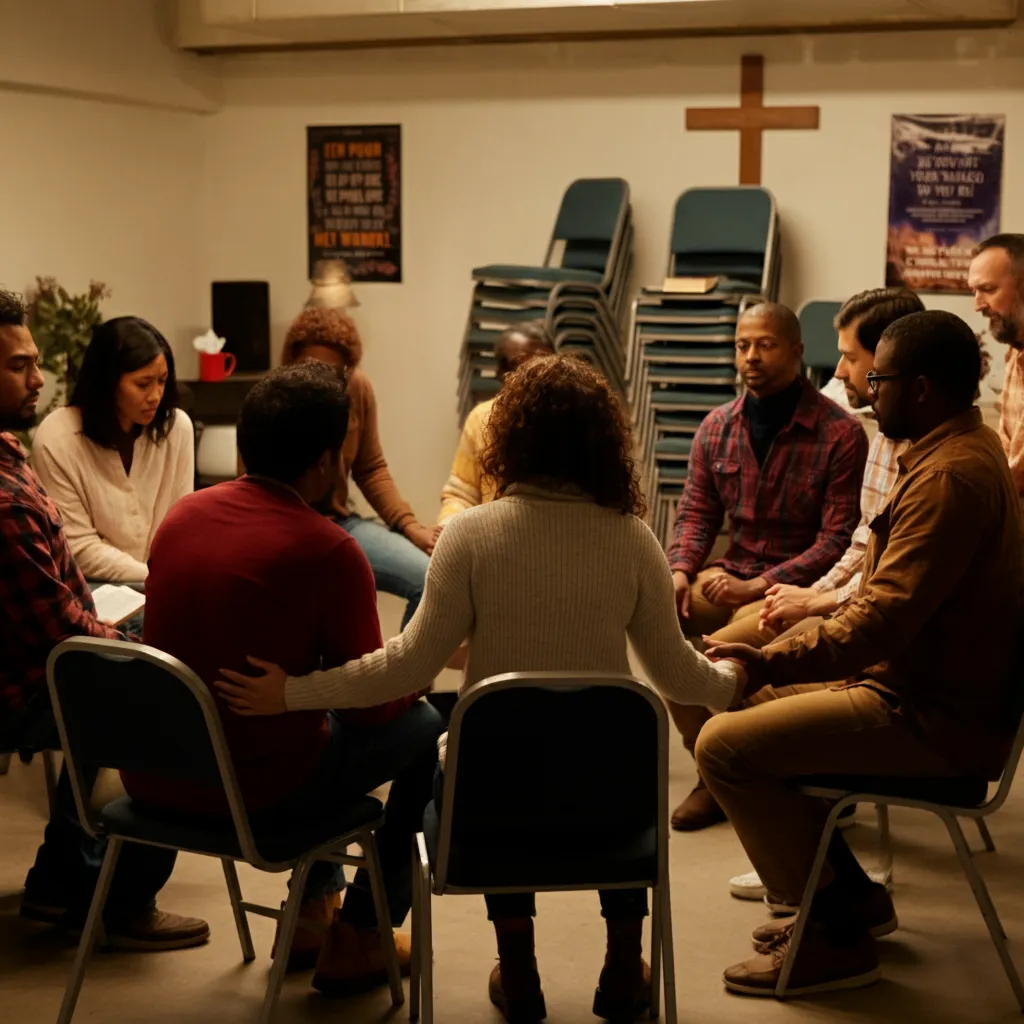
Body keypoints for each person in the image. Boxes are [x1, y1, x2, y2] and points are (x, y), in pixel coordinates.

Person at [213, 354, 745, 1024]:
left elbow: (406, 668)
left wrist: (292, 692)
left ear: (510, 437)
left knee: (491, 760)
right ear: (604, 442)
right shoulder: (633, 539)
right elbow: (675, 675)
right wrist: (736, 684)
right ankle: (621, 965)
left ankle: (518, 971)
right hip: (609, 812)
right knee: (615, 766)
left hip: (493, 815)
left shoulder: (469, 534)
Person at [699, 309, 1023, 998]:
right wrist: (766, 662)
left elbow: (879, 621)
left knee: (724, 746)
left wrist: (767, 657)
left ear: (925, 389)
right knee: (745, 705)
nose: (866, 388)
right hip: (913, 690)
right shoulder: (950, 449)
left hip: (931, 720)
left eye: (879, 377)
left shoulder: (948, 480)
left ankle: (828, 940)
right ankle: (851, 900)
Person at [130, 362, 444, 994]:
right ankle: (359, 934)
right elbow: (371, 710)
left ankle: (311, 916)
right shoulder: (326, 550)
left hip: (157, 779)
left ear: (245, 443)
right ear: (331, 462)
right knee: (425, 729)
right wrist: (414, 673)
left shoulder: (180, 519)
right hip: (257, 793)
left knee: (308, 719)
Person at [0, 289, 207, 949]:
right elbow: (63, 625)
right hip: (29, 671)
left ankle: (59, 885)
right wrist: (140, 646)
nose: (38, 378)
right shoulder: (22, 473)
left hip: (78, 621)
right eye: (18, 366)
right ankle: (122, 902)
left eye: (36, 362)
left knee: (145, 658)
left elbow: (179, 518)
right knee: (165, 695)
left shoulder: (11, 452)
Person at [665, 302, 868, 831]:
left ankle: (751, 769)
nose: (751, 356)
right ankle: (712, 766)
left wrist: (759, 583)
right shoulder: (716, 427)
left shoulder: (840, 434)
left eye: (766, 344)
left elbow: (837, 539)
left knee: (715, 655)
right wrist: (681, 570)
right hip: (731, 574)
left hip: (797, 591)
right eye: (742, 345)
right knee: (659, 633)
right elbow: (695, 513)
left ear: (798, 352)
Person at [758, 288, 925, 636]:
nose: (837, 373)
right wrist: (817, 592)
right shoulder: (884, 435)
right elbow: (863, 544)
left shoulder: (937, 462)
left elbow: (892, 580)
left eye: (850, 357)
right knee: (732, 645)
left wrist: (818, 600)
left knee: (741, 669)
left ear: (888, 359)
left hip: (878, 627)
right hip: (849, 604)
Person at [279, 308, 437, 629]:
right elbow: (251, 484)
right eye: (311, 368)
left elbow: (371, 467)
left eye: (334, 371)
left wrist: (409, 526)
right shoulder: (274, 398)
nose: (322, 379)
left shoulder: (357, 389)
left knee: (430, 578)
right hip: (285, 531)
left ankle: (407, 679)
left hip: (340, 522)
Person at [30, 317, 193, 584]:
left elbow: (182, 527)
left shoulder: (177, 428)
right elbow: (79, 549)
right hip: (94, 588)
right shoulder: (57, 438)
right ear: (108, 383)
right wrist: (158, 576)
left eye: (162, 381)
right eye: (143, 384)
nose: (155, 395)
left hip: (165, 582)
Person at [438, 323, 554, 525]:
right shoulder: (481, 418)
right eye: (524, 368)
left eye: (545, 368)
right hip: (494, 536)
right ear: (502, 373)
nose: (536, 379)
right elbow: (462, 494)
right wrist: (447, 529)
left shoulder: (576, 420)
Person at [969, 233, 1024, 497]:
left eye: (988, 290)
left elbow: (1019, 476)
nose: (978, 305)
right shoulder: (1015, 353)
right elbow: (1005, 449)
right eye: (974, 291)